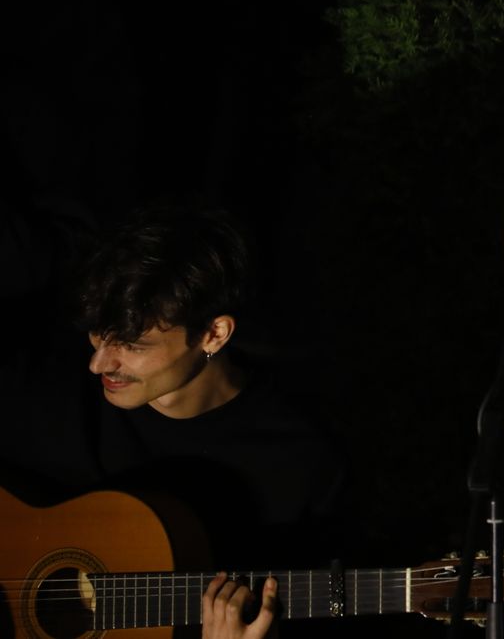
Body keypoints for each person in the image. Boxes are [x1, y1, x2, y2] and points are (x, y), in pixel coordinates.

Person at [0, 205, 347, 568]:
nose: (98, 363)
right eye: (97, 334)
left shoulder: (298, 464)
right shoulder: (37, 391)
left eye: (133, 346)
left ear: (214, 335)